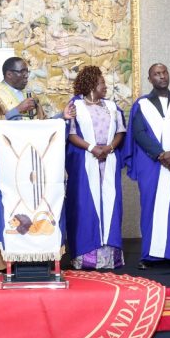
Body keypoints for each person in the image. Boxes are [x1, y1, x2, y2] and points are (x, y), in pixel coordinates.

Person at [0, 56, 74, 271]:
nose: (26, 76)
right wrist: (16, 110)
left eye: (27, 72)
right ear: (9, 74)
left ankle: (35, 254)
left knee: (34, 204)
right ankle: (4, 258)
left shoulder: (31, 96)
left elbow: (41, 126)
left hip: (31, 163)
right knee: (8, 206)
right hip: (6, 164)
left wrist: (62, 116)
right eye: (22, 72)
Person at [122, 63, 170, 269]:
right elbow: (139, 133)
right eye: (156, 74)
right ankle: (149, 255)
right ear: (150, 79)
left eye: (164, 72)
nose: (162, 76)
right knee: (150, 206)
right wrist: (161, 155)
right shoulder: (141, 104)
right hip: (151, 164)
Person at [65, 65, 126, 269]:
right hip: (86, 162)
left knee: (110, 205)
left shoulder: (112, 106)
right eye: (101, 83)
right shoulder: (76, 105)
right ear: (91, 85)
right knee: (85, 206)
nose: (105, 87)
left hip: (108, 160)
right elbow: (71, 134)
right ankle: (87, 257)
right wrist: (92, 148)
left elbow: (120, 132)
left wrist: (109, 148)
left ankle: (109, 257)